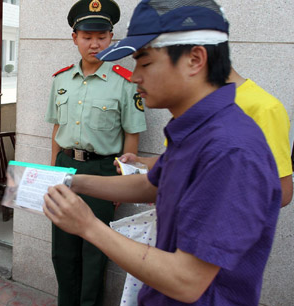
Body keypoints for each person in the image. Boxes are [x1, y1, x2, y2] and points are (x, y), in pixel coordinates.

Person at [43, 0, 282, 306]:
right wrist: (70, 180)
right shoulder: (195, 129)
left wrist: (89, 226)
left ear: (195, 59)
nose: (136, 76)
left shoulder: (230, 149)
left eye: (146, 61)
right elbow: (150, 185)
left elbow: (187, 281)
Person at [44, 0, 147, 306]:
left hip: (102, 170)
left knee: (94, 248)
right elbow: (56, 130)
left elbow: (132, 137)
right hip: (65, 166)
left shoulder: (124, 80)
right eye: (87, 36)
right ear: (74, 38)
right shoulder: (61, 79)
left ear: (111, 38)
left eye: (101, 36)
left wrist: (123, 182)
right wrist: (52, 171)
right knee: (63, 247)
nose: (94, 43)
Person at [116, 67, 293, 207]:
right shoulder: (193, 99)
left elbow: (281, 193)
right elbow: (181, 160)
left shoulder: (265, 108)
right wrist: (142, 163)